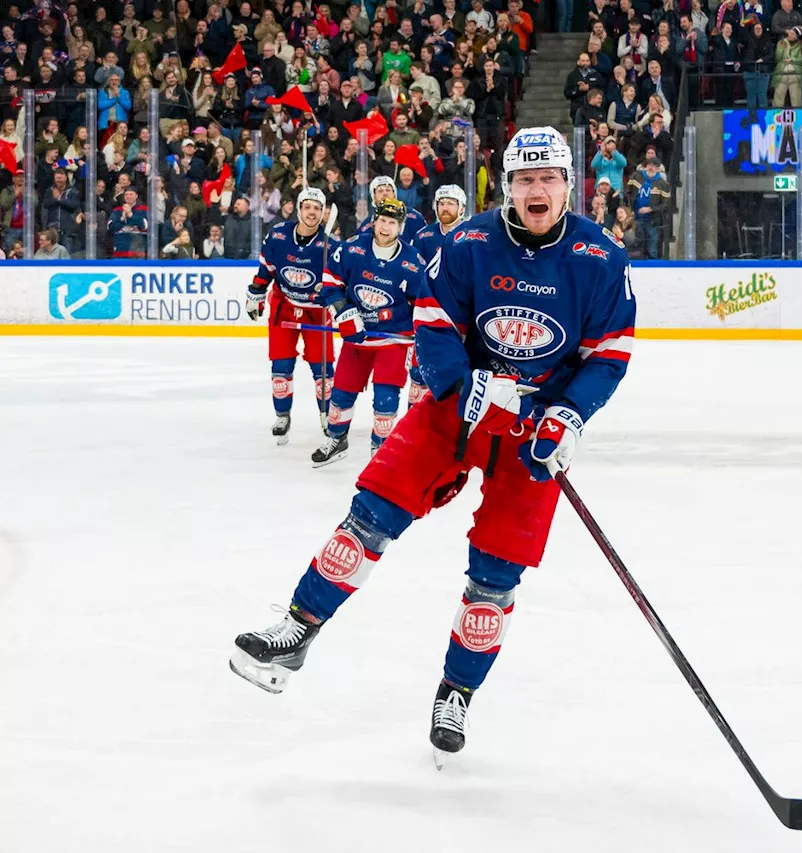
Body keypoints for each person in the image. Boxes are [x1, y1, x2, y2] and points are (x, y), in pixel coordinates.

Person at [229, 127, 636, 768]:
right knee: (372, 512)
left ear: (568, 184)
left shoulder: (602, 259)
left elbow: (608, 354)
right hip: (457, 407)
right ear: (507, 186)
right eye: (525, 179)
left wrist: (568, 415)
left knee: (497, 573)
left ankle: (457, 694)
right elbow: (433, 318)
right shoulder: (470, 242)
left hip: (533, 430)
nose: (537, 190)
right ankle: (297, 631)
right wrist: (459, 383)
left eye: (549, 178)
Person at [308, 198, 424, 465]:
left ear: (401, 228)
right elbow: (330, 283)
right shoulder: (352, 248)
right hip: (357, 338)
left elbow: (423, 304)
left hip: (393, 340)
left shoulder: (413, 262)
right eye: (382, 220)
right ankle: (337, 439)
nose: (385, 227)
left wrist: (400, 319)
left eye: (392, 223)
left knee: (385, 398)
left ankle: (380, 448)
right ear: (374, 220)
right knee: (341, 392)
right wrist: (344, 312)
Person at [247, 186, 337, 444]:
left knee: (323, 369)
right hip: (283, 307)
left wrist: (330, 292)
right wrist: (256, 293)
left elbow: (342, 280)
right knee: (281, 365)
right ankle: (282, 415)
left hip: (315, 313)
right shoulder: (277, 235)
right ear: (298, 210)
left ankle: (328, 415)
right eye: (307, 207)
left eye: (317, 208)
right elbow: (267, 269)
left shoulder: (330, 244)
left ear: (323, 214)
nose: (312, 212)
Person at [407, 183, 470, 405]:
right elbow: (413, 273)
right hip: (428, 313)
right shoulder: (423, 236)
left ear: (461, 208)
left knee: (457, 372)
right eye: (441, 203)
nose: (445, 207)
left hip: (460, 316)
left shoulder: (470, 236)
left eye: (450, 203)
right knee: (419, 373)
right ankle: (413, 425)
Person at [359, 175, 428, 237]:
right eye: (380, 191)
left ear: (394, 194)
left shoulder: (415, 218)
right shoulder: (366, 226)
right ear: (374, 197)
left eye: (388, 190)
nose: (385, 193)